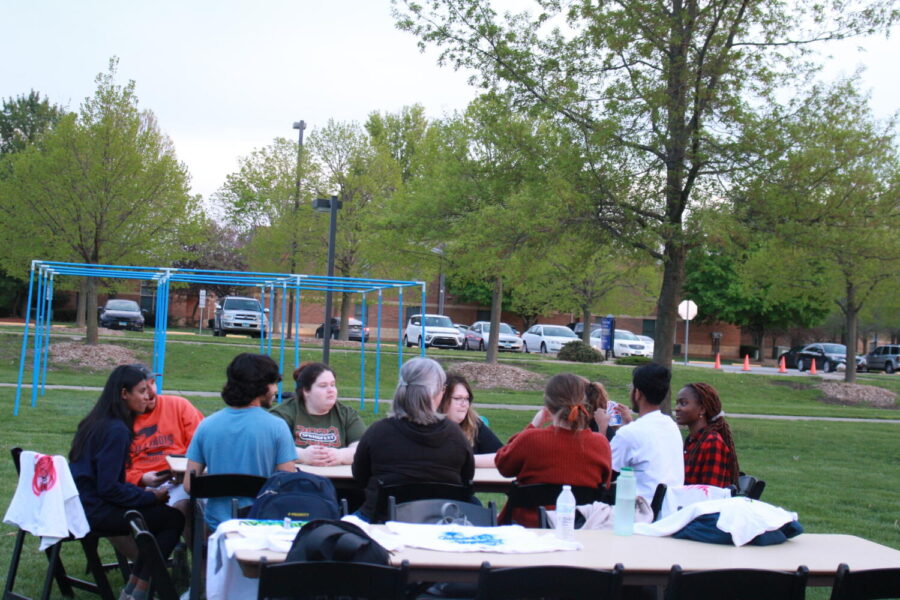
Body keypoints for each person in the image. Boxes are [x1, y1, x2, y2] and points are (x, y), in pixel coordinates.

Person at [69, 365, 184, 600]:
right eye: (141, 391)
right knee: (173, 518)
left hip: (80, 503)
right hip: (94, 511)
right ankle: (140, 589)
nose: (148, 396)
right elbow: (109, 488)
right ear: (124, 394)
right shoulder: (116, 430)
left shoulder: (93, 422)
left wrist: (144, 492)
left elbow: (105, 482)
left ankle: (134, 585)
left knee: (161, 516)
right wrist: (151, 496)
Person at [352, 357, 474, 522]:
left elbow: (360, 477)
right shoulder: (456, 436)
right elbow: (467, 479)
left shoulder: (377, 432)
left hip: (382, 521)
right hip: (438, 521)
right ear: (437, 393)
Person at [185, 353, 296, 529]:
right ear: (261, 386)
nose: (276, 390)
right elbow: (288, 483)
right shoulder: (277, 427)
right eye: (274, 383)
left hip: (217, 525)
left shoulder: (206, 425)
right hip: (261, 523)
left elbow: (189, 485)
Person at [495, 374, 613, 527]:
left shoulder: (531, 439)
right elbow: (606, 484)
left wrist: (533, 425)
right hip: (580, 526)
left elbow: (503, 465)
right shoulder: (600, 443)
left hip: (529, 529)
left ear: (548, 405)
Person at [597, 363, 684, 500]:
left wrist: (601, 428)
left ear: (637, 393)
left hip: (640, 512)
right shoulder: (671, 426)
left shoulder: (629, 433)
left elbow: (602, 475)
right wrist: (629, 424)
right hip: (671, 508)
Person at [125, 364, 203, 514]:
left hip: (179, 481)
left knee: (189, 505)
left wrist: (183, 473)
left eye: (152, 383)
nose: (152, 392)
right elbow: (113, 469)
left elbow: (200, 447)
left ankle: (191, 538)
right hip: (139, 486)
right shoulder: (119, 421)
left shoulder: (179, 405)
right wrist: (140, 478)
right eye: (143, 389)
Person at [270, 361, 366, 465]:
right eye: (323, 386)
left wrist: (340, 455)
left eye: (333, 385)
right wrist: (302, 455)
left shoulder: (347, 414)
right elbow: (269, 446)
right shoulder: (284, 413)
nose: (331, 390)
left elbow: (362, 448)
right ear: (306, 391)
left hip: (340, 478)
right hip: (296, 478)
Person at [674, 382, 740, 487]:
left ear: (702, 409)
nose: (677, 408)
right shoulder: (692, 440)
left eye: (683, 403)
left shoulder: (712, 442)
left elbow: (711, 492)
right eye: (677, 403)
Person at [438, 374, 503, 468]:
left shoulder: (474, 425)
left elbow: (503, 457)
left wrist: (469, 461)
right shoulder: (428, 428)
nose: (464, 404)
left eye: (466, 398)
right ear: (441, 400)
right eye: (457, 398)